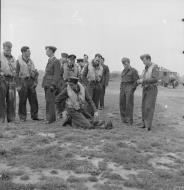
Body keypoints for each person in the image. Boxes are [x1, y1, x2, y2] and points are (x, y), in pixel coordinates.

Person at [16, 46, 40, 121]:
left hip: (31, 81)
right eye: (28, 51)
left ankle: (34, 116)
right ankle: (22, 117)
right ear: (23, 52)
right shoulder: (18, 61)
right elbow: (16, 74)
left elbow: (35, 72)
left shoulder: (31, 61)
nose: (30, 53)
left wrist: (35, 82)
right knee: (22, 100)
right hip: (23, 81)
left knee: (34, 100)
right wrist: (18, 85)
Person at [137, 54, 159, 131]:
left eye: (144, 61)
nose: (143, 62)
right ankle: (144, 124)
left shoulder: (154, 67)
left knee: (149, 107)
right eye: (142, 61)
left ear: (149, 59)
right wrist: (140, 81)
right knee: (143, 106)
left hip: (152, 89)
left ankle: (148, 126)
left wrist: (143, 80)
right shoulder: (146, 68)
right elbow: (144, 78)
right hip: (145, 89)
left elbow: (155, 79)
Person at [42, 46, 60, 124]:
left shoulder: (56, 61)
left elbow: (57, 74)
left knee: (50, 101)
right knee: (48, 101)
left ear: (51, 51)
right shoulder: (50, 60)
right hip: (47, 84)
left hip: (51, 85)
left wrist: (53, 85)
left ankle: (50, 119)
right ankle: (49, 118)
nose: (46, 52)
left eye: (47, 51)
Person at [0, 41, 17, 123]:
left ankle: (11, 119)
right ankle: (1, 119)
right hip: (2, 79)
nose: (8, 51)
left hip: (11, 80)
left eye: (9, 49)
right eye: (6, 49)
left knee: (11, 100)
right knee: (1, 100)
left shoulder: (13, 58)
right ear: (3, 48)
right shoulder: (0, 57)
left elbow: (16, 69)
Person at [119, 57, 139, 125]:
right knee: (122, 103)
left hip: (129, 87)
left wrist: (132, 89)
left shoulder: (134, 71)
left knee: (129, 104)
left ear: (129, 62)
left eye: (125, 63)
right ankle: (123, 119)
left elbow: (136, 81)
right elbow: (122, 80)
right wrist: (121, 88)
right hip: (123, 88)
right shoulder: (123, 71)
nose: (124, 65)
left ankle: (129, 120)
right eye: (123, 63)